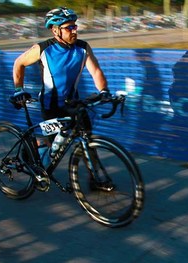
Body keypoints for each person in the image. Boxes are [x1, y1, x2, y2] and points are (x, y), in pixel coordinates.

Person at [10, 7, 112, 191]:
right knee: (52, 149)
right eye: (69, 27)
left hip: (74, 104)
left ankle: (95, 179)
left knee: (88, 140)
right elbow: (19, 63)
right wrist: (18, 89)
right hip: (51, 107)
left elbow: (96, 71)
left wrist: (104, 90)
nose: (74, 30)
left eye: (75, 26)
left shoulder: (82, 47)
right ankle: (36, 147)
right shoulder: (43, 49)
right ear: (55, 30)